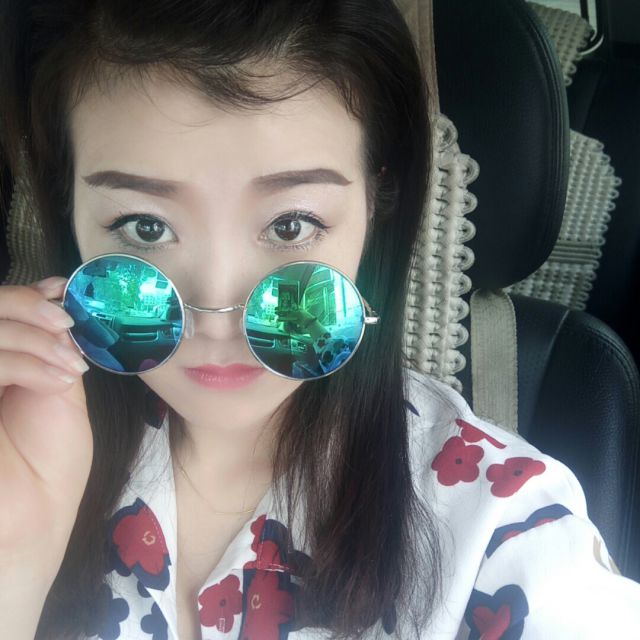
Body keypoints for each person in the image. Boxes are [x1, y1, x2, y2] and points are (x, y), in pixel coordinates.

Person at [0, 1, 639, 639]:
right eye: (145, 226)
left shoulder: (501, 523)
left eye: (290, 225)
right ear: (69, 211)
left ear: (376, 208)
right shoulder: (18, 440)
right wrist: (16, 559)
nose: (215, 317)